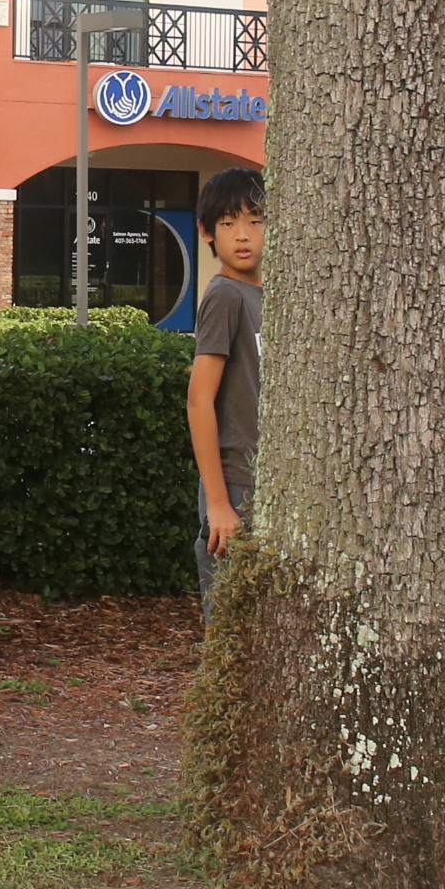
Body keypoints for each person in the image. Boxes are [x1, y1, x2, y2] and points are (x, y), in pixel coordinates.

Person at [187, 168, 263, 610]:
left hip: (266, 483)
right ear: (207, 232)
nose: (243, 235)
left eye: (255, 220)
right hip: (234, 483)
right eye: (229, 223)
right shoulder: (225, 296)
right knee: (231, 630)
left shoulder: (268, 295)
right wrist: (218, 503)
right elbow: (200, 400)